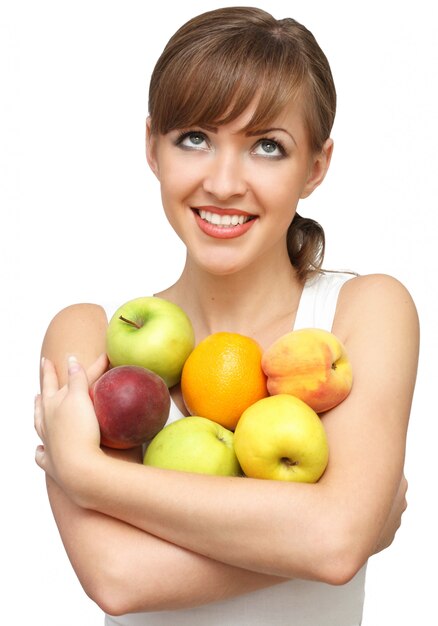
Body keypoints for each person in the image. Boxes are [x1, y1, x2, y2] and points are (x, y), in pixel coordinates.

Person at [34, 7, 418, 625]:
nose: (224, 181)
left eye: (268, 146)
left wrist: (87, 474)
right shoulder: (90, 337)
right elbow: (118, 578)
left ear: (315, 168)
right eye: (195, 138)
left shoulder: (363, 311)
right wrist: (326, 534)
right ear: (152, 147)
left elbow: (336, 542)